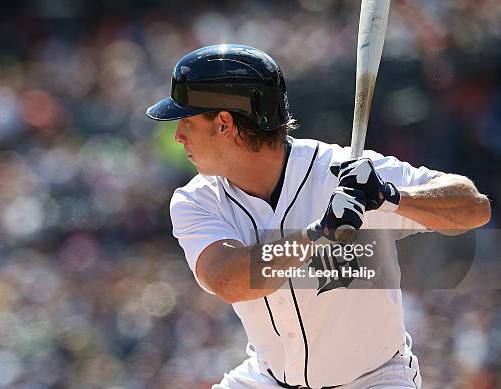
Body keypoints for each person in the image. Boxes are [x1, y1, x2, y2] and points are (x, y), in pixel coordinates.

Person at [146, 44, 490, 389]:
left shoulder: (343, 171)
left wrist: (390, 196)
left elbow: (474, 207)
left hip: (374, 379)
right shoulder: (198, 199)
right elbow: (228, 280)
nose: (178, 135)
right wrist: (318, 235)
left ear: (224, 123)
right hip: (267, 379)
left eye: (187, 121)